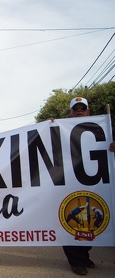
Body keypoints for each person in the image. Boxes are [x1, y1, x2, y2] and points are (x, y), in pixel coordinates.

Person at [61, 97, 95, 276]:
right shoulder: (60, 130)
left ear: (88, 112)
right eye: (76, 109)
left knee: (92, 221)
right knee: (70, 220)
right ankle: (75, 260)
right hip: (68, 184)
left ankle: (84, 254)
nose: (79, 111)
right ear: (70, 113)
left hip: (93, 184)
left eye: (83, 108)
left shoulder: (101, 130)